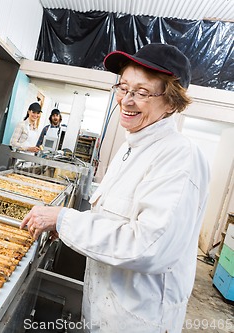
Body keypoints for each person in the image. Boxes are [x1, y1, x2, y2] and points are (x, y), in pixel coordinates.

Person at [21, 43, 210, 332]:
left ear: (171, 103)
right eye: (122, 88)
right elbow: (113, 221)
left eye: (142, 92)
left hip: (136, 321)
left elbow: (149, 246)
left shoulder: (179, 156)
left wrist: (64, 218)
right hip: (104, 311)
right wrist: (69, 230)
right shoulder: (130, 148)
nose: (126, 100)